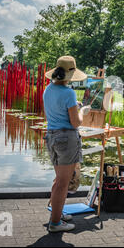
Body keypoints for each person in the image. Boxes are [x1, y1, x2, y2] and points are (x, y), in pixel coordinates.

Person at [43, 56, 91, 233]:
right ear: (70, 74)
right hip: (66, 140)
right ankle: (55, 223)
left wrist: (74, 106)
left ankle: (57, 214)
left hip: (52, 137)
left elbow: (54, 114)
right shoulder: (69, 93)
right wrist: (82, 111)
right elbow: (75, 123)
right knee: (63, 183)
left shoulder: (48, 89)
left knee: (58, 181)